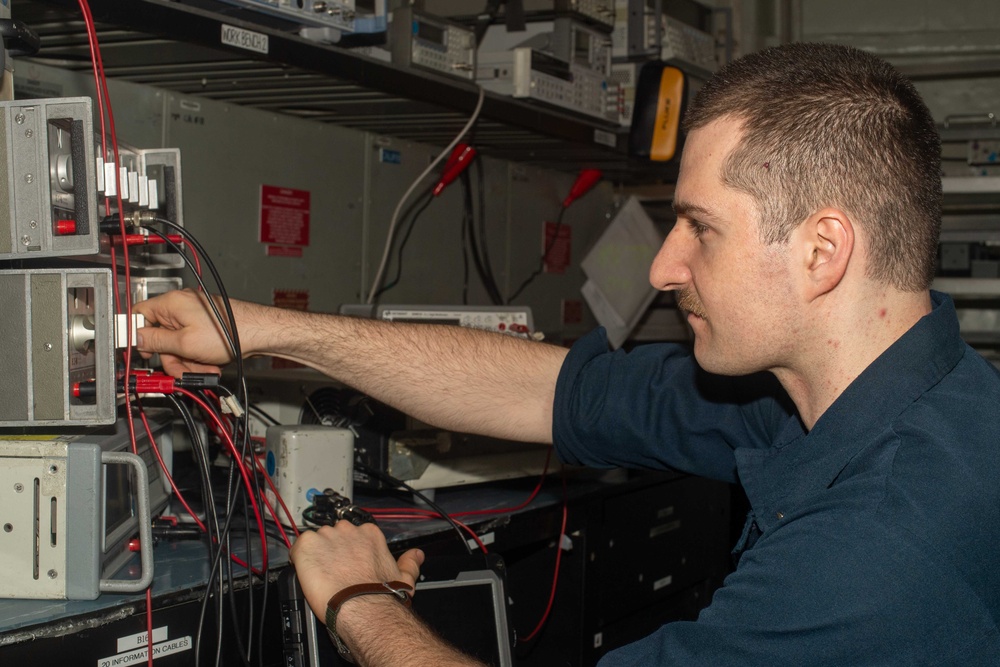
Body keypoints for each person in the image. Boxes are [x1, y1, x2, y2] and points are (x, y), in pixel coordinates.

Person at [134, 42, 1000, 666]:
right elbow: (551, 390)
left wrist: (359, 604)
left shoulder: (880, 549)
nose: (664, 267)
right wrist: (268, 330)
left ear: (823, 250)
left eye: (700, 228)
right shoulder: (849, 398)